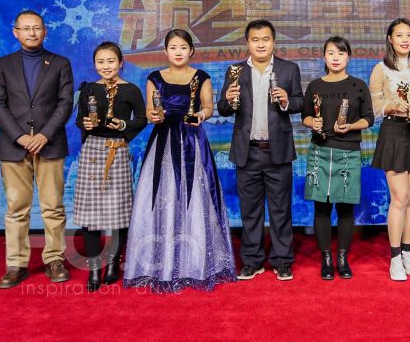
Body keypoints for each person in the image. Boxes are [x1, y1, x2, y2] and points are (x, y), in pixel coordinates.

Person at [123, 29, 236, 292]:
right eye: (173, 47)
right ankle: (160, 263)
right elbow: (150, 111)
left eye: (183, 47)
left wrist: (201, 116)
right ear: (165, 51)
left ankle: (195, 263)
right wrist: (153, 115)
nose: (178, 52)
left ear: (191, 51)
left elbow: (208, 107)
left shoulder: (202, 77)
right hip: (163, 142)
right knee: (162, 197)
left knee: (195, 197)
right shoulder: (154, 78)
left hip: (193, 141)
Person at [0, 9, 74, 289]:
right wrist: (21, 137)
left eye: (36, 28)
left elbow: (65, 103)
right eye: (25, 28)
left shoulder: (60, 63)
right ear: (15, 32)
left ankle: (54, 259)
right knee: (16, 208)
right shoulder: (2, 65)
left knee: (53, 207)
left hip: (51, 144)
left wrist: (45, 135)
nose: (32, 33)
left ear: (45, 31)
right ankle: (16, 264)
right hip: (13, 146)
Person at [217, 20, 304, 281]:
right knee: (250, 211)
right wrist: (228, 101)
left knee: (281, 210)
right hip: (247, 152)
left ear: (273, 41)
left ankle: (282, 260)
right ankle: (252, 261)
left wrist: (287, 101)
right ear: (247, 43)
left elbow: (300, 102)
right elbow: (223, 108)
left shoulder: (289, 69)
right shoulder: (235, 71)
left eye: (265, 39)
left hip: (278, 151)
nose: (261, 44)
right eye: (255, 40)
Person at [74, 42, 147, 291]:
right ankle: (94, 268)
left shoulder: (131, 90)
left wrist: (124, 126)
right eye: (100, 62)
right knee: (90, 215)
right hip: (92, 151)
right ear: (95, 64)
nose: (105, 66)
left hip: (118, 150)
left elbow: (141, 119)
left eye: (111, 61)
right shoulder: (88, 89)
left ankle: (114, 263)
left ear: (121, 63)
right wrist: (85, 123)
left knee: (119, 212)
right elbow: (79, 119)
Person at [369, 18, 410, 281]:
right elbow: (374, 107)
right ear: (390, 39)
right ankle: (395, 258)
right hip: (394, 132)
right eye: (399, 35)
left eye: (409, 35)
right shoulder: (380, 69)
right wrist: (393, 107)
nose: (405, 40)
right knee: (398, 198)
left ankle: (408, 253)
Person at [302, 36, 374, 280]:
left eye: (341, 53)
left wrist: (351, 126)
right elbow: (305, 116)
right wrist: (312, 122)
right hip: (319, 151)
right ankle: (326, 259)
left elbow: (369, 118)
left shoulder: (358, 85)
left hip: (348, 151)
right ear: (324, 56)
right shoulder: (314, 86)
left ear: (348, 58)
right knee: (321, 208)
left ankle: (342, 258)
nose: (335, 58)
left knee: (345, 208)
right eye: (331, 53)